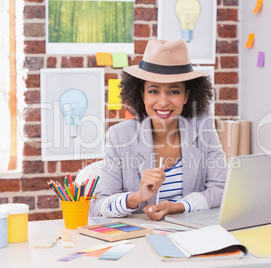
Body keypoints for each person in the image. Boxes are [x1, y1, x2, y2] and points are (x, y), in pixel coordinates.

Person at [90, 39, 227, 221]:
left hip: (192, 238)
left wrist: (178, 207)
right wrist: (137, 197)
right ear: (142, 94)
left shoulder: (203, 126)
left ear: (187, 95)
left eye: (174, 91)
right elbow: (98, 207)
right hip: (140, 240)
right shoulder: (120, 136)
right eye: (154, 91)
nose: (163, 102)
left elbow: (221, 188)